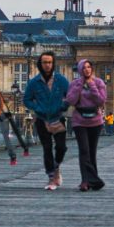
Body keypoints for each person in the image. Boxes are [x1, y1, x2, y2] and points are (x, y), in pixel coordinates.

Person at [24, 51, 70, 191]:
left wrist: (63, 106)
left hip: (57, 118)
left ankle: (56, 167)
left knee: (61, 147)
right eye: (45, 62)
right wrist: (36, 107)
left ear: (53, 63)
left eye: (50, 62)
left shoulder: (61, 80)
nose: (47, 65)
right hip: (42, 119)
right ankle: (51, 177)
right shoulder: (34, 82)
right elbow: (26, 99)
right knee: (47, 148)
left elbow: (70, 96)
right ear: (40, 64)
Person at [64, 59, 107, 192]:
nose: (87, 69)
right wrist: (80, 84)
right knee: (84, 151)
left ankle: (92, 181)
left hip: (95, 121)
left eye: (89, 67)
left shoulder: (99, 82)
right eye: (84, 67)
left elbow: (101, 100)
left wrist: (92, 86)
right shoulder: (75, 83)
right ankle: (85, 181)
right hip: (79, 121)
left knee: (91, 152)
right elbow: (70, 100)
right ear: (80, 70)